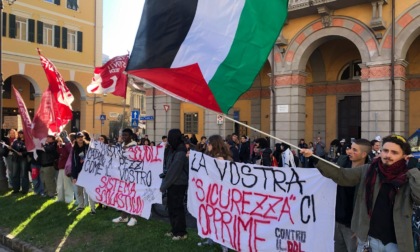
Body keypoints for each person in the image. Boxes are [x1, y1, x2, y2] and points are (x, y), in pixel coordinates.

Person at [301, 135, 420, 251]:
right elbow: (342, 175)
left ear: (404, 156)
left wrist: (413, 171)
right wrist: (314, 158)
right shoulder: (369, 170)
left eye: (394, 152)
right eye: (385, 150)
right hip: (369, 242)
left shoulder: (408, 177)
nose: (388, 155)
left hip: (397, 243)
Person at [334, 139, 371, 252]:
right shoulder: (342, 163)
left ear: (363, 154)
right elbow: (327, 170)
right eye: (350, 148)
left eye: (354, 150)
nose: (349, 151)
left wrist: (362, 228)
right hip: (337, 221)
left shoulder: (370, 172)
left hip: (354, 227)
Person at [198, 134, 230, 251]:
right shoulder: (210, 155)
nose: (207, 145)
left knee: (220, 218)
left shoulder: (221, 158)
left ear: (214, 145)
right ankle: (210, 238)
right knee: (210, 216)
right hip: (210, 192)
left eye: (209, 143)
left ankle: (224, 244)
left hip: (220, 194)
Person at [160, 129, 189, 241]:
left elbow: (174, 171)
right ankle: (175, 230)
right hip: (173, 183)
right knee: (172, 207)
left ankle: (181, 232)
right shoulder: (174, 149)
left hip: (178, 184)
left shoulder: (180, 152)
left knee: (177, 208)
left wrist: (164, 186)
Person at [112, 128, 138, 225]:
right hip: (122, 175)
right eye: (123, 135)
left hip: (132, 176)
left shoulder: (134, 145)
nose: (123, 137)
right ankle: (124, 216)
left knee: (132, 196)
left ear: (131, 136)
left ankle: (134, 217)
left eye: (126, 135)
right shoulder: (122, 145)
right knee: (123, 196)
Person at [71, 132, 96, 214]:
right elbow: (73, 163)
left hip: (88, 172)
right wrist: (74, 176)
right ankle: (81, 206)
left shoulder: (88, 146)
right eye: (78, 137)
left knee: (89, 190)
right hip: (79, 173)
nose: (80, 138)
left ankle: (93, 208)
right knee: (79, 191)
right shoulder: (74, 149)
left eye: (81, 137)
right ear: (76, 139)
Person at [56, 133, 73, 203]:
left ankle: (68, 199)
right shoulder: (62, 146)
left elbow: (70, 149)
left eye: (64, 138)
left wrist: (66, 140)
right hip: (60, 167)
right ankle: (60, 198)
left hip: (66, 168)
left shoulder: (68, 146)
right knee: (59, 185)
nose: (63, 139)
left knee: (67, 185)